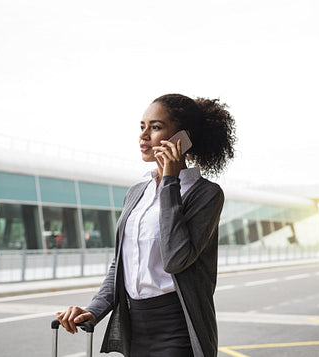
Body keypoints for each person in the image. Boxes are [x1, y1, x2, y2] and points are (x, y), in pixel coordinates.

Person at [56, 93, 236, 357]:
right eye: (142, 127)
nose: (143, 136)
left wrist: (170, 181)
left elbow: (175, 258)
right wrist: (93, 310)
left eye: (155, 127)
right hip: (135, 328)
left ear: (182, 137)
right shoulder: (136, 192)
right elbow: (120, 264)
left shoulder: (206, 194)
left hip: (179, 327)